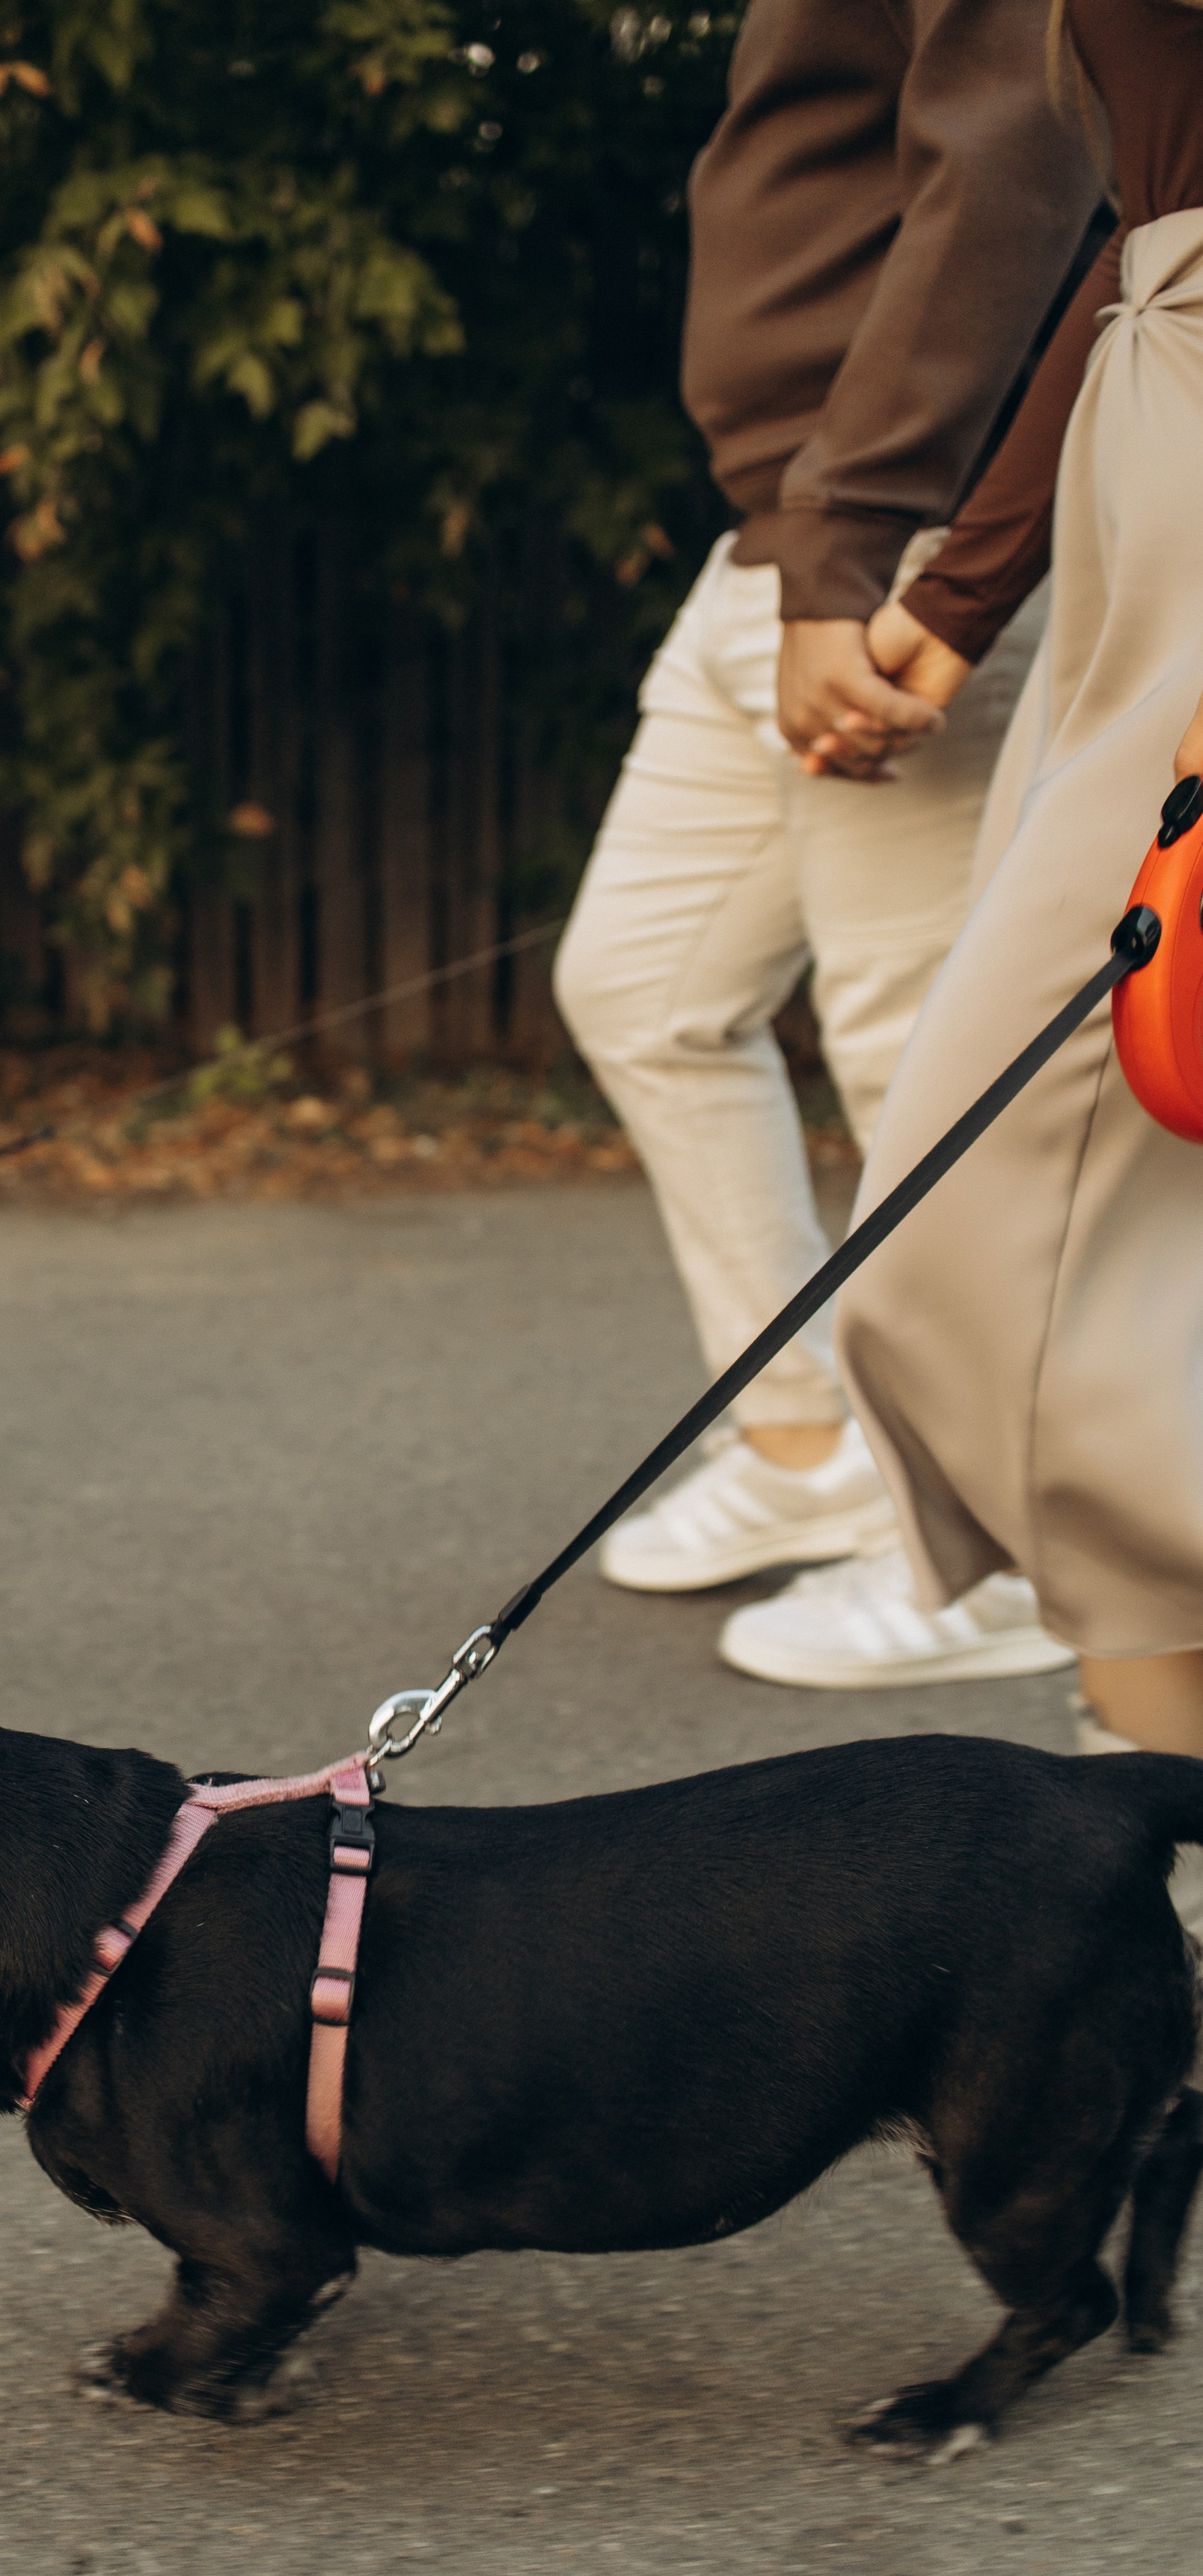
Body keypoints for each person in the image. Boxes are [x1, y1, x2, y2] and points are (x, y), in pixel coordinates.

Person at [553, 0, 1099, 1682]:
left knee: (916, 1076)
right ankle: (806, 1449)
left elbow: (1012, 145)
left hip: (891, 528)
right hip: (784, 523)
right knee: (641, 989)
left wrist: (856, 539)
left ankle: (995, 1563)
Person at [733, 0, 1203, 1758]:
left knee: (981, 1247)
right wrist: (958, 589)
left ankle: (1147, 1847)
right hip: (1146, 460)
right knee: (1049, 1257)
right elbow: (1125, 261)